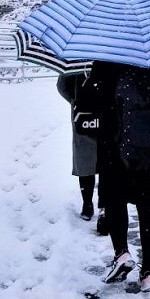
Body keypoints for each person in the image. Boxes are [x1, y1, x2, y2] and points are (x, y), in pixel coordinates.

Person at [78, 54, 150, 292]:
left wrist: (89, 83)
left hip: (117, 141)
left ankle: (121, 253)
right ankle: (149, 273)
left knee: (114, 199)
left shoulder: (110, 51)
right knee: (149, 206)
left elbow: (91, 98)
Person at [56, 72, 101, 225]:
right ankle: (106, 206)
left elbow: (62, 86)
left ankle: (87, 204)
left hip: (83, 115)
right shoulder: (111, 52)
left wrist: (75, 100)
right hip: (108, 114)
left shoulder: (76, 56)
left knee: (85, 160)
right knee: (108, 161)